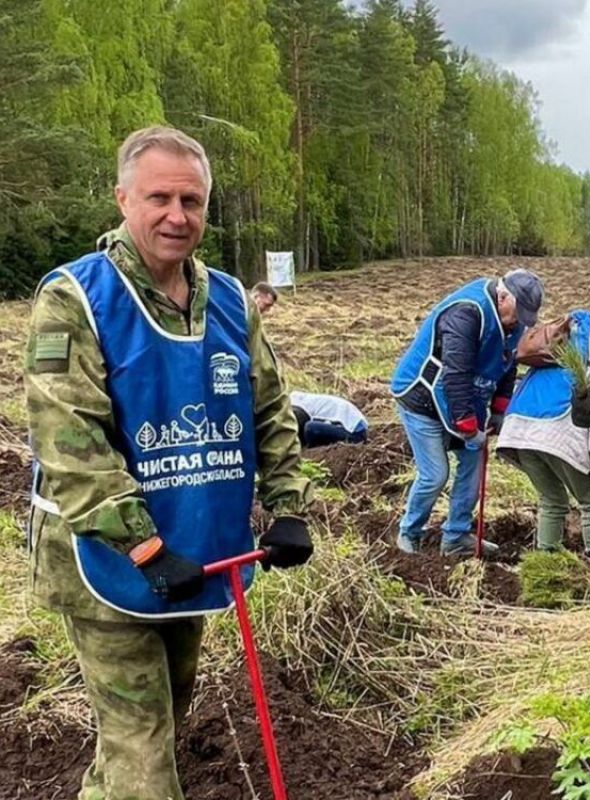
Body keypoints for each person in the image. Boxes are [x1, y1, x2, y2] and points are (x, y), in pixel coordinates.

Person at [23, 127, 313, 800]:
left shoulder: (231, 302)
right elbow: (70, 442)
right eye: (159, 197)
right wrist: (144, 547)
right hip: (108, 555)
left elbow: (269, 408)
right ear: (123, 198)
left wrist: (289, 508)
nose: (176, 216)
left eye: (192, 200)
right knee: (145, 761)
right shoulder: (74, 298)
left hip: (194, 547)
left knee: (157, 724)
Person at [390, 268, 543, 556]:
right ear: (502, 297)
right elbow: (456, 374)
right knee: (435, 474)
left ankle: (456, 536)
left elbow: (507, 362)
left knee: (473, 464)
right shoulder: (466, 313)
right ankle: (410, 533)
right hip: (422, 397)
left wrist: (499, 408)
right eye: (517, 314)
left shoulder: (513, 321)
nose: (518, 323)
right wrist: (469, 430)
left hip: (464, 398)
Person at [496, 307, 590, 559]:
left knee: (551, 498)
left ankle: (545, 560)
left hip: (518, 426)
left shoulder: (563, 333)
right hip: (558, 425)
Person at [289, 390, 368, 447]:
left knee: (310, 428)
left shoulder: (296, 405)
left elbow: (294, 425)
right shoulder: (300, 399)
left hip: (355, 433)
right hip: (353, 426)